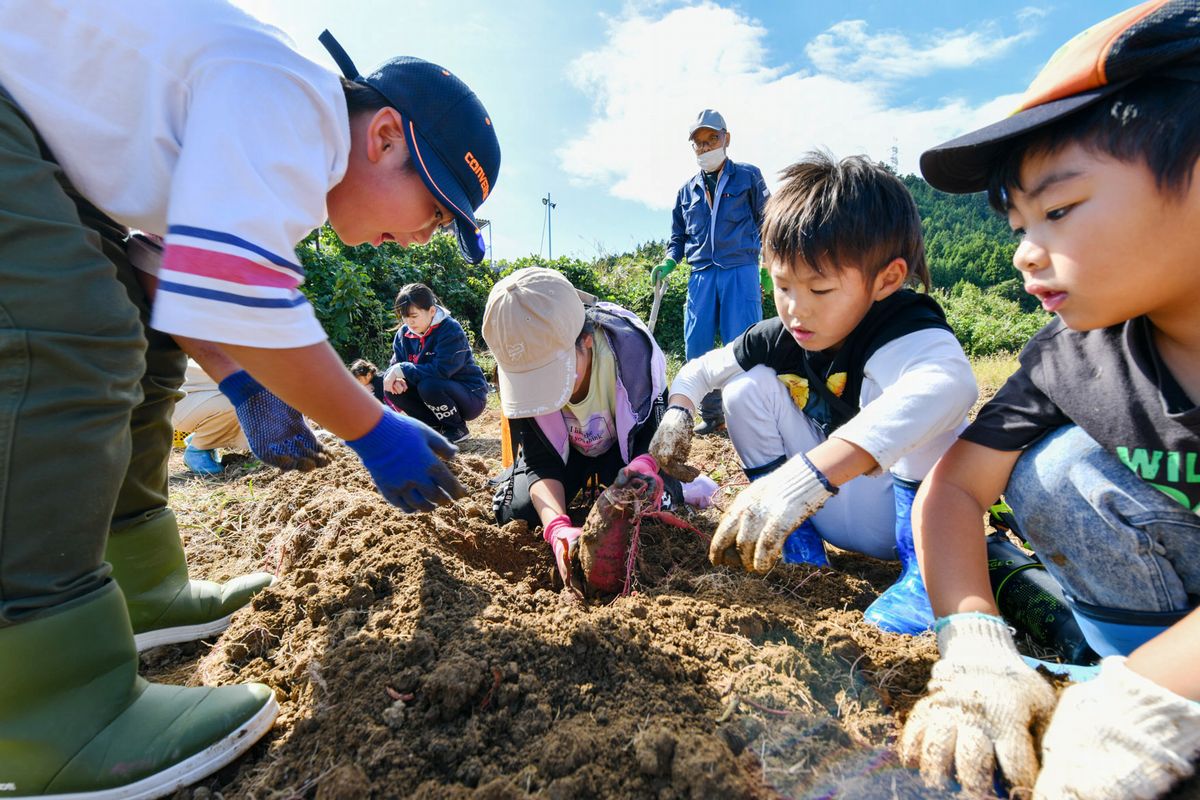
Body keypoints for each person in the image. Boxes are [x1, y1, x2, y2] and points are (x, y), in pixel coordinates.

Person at [0, 2, 499, 795]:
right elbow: (238, 292)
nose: (416, 240)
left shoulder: (281, 146)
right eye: (433, 211)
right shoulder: (295, 104)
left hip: (54, 160)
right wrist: (374, 430)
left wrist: (239, 383)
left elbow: (165, 276)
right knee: (63, 336)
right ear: (384, 137)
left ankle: (142, 584)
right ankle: (46, 707)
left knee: (137, 341)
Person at [899, 3, 1200, 798]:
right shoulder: (1077, 357)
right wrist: (972, 643)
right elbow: (955, 487)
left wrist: (1141, 708)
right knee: (1052, 469)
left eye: (1059, 210)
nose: (1027, 254)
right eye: (1017, 221)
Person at [649, 153, 977, 636]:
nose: (796, 310)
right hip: (821, 510)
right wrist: (679, 411)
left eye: (820, 290)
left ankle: (925, 581)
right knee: (746, 388)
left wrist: (810, 475)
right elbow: (700, 370)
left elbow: (953, 386)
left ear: (886, 279)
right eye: (782, 286)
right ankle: (798, 551)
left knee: (925, 405)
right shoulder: (784, 333)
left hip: (912, 518)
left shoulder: (904, 327)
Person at [483, 267, 685, 595]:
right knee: (515, 514)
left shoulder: (633, 360)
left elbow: (652, 441)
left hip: (626, 454)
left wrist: (641, 474)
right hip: (567, 458)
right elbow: (540, 460)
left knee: (655, 509)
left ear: (586, 340)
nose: (543, 391)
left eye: (550, 373)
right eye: (530, 380)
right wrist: (558, 528)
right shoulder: (521, 376)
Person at [651, 109, 772, 435]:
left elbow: (769, 221)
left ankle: (747, 416)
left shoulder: (748, 177)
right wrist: (669, 261)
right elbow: (677, 238)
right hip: (701, 273)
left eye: (712, 140)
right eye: (699, 144)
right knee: (697, 347)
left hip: (740, 269)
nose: (705, 148)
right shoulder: (686, 191)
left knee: (742, 343)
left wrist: (767, 266)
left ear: (726, 139)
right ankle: (712, 415)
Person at [381, 282, 489, 444]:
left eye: (414, 316)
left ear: (432, 311)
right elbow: (395, 367)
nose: (409, 322)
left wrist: (401, 369)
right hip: (431, 395)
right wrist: (396, 379)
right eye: (404, 317)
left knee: (429, 385)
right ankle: (432, 426)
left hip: (469, 396)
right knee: (391, 387)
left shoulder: (450, 329)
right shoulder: (403, 334)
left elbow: (441, 370)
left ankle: (456, 428)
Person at [172, 358, 251, 474]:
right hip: (175, 402)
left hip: (195, 395)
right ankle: (198, 451)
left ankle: (206, 437)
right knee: (241, 405)